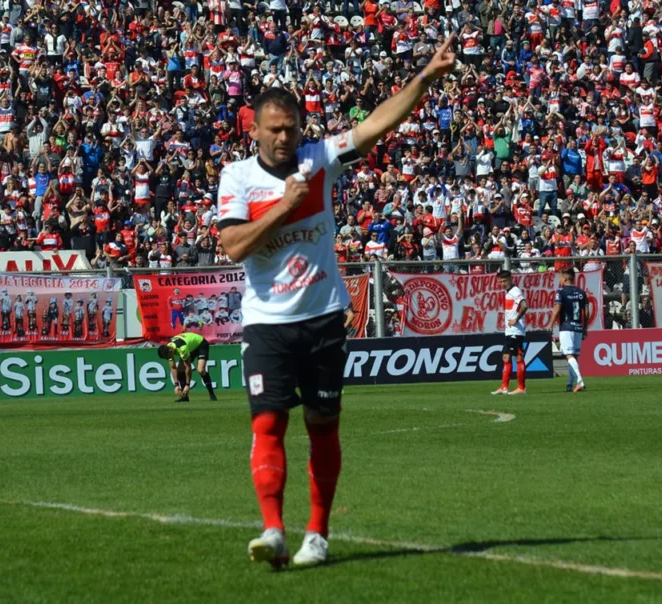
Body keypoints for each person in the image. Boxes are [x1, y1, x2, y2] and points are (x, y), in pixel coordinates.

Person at [216, 35, 458, 568]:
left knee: (323, 425)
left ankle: (317, 535)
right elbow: (234, 246)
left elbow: (378, 123)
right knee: (267, 424)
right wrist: (284, 208)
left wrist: (426, 75)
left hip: (323, 316)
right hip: (267, 324)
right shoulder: (235, 178)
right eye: (273, 129)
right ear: (252, 129)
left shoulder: (320, 157)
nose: (283, 138)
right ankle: (274, 530)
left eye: (290, 128)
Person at [549, 268, 589, 393]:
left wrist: (550, 324)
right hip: (578, 326)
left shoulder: (561, 291)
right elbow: (586, 312)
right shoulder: (581, 292)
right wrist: (585, 327)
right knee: (574, 357)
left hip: (566, 327)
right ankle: (569, 384)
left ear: (565, 279)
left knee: (568, 355)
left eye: (560, 278)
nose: (560, 280)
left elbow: (557, 309)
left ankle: (580, 380)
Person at [493, 270, 528, 395]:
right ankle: (504, 387)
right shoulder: (508, 292)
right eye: (500, 282)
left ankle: (521, 388)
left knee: (518, 357)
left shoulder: (515, 291)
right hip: (509, 331)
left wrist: (516, 319)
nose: (502, 284)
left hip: (516, 330)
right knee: (506, 357)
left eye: (504, 281)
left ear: (510, 279)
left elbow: (524, 305)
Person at [156, 332, 218, 402]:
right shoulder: (168, 349)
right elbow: (173, 367)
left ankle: (212, 394)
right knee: (180, 370)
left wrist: (187, 385)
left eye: (168, 357)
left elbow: (188, 367)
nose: (169, 358)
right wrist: (176, 385)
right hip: (190, 347)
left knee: (200, 370)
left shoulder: (182, 349)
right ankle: (185, 397)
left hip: (200, 344)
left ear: (170, 351)